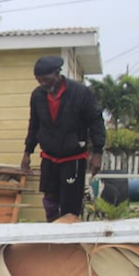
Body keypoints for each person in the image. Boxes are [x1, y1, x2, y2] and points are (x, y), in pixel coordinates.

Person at [20, 55, 106, 221]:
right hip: (49, 157)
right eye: (39, 80)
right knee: (50, 200)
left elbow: (96, 122)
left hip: (73, 157)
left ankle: (69, 240)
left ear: (57, 74)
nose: (43, 84)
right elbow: (34, 125)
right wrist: (27, 152)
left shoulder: (80, 93)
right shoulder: (37, 96)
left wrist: (97, 153)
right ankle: (52, 235)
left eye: (46, 79)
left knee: (70, 204)